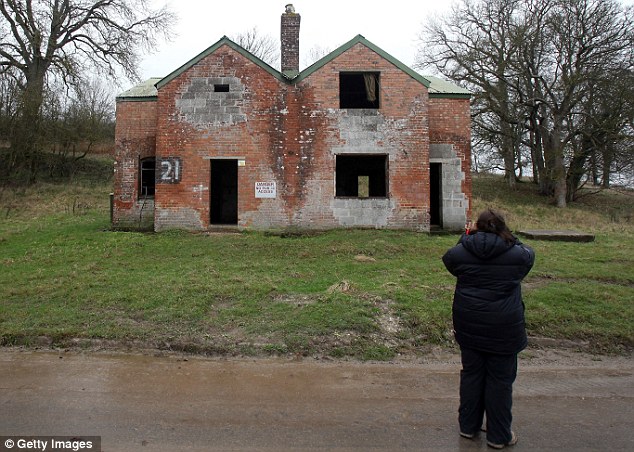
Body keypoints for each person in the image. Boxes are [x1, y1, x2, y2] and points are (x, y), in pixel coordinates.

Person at [442, 209, 535, 449]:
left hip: (469, 323)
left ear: (476, 227)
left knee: (472, 374)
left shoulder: (462, 252)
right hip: (504, 327)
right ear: (502, 228)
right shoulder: (518, 255)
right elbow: (528, 255)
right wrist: (509, 237)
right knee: (500, 380)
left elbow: (450, 258)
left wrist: (466, 238)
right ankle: (498, 435)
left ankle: (468, 426)